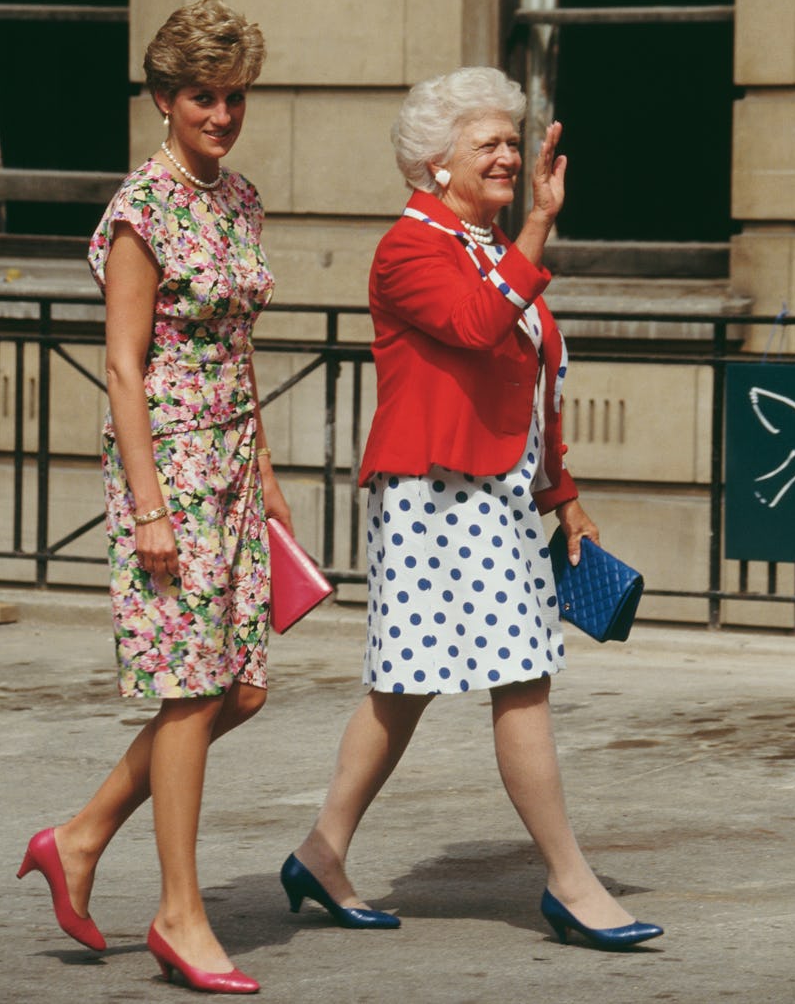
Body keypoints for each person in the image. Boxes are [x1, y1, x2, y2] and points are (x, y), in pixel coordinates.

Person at [281, 67, 663, 952]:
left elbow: (532, 383)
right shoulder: (409, 247)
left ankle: (321, 851)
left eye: (510, 140)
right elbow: (473, 326)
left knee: (404, 684)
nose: (507, 154)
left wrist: (564, 498)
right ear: (433, 164)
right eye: (485, 143)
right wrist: (535, 226)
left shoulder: (494, 245)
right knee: (521, 677)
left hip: (494, 489)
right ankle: (571, 883)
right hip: (435, 494)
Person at [18, 0, 291, 994]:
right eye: (201, 97)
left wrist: (265, 471)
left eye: (233, 96)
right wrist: (147, 504)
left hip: (231, 461)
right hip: (166, 461)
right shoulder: (142, 207)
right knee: (190, 691)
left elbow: (241, 343)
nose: (221, 114)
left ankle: (80, 833)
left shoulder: (241, 199)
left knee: (242, 686)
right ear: (164, 99)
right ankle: (180, 912)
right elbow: (124, 369)